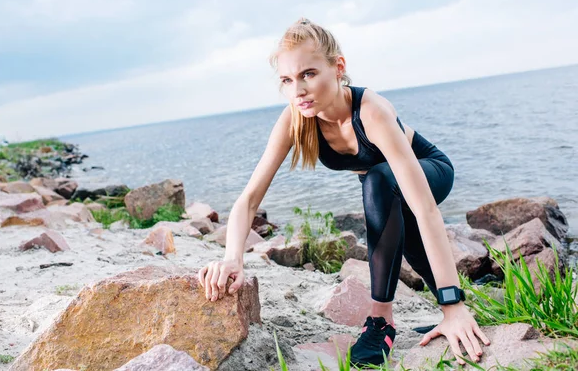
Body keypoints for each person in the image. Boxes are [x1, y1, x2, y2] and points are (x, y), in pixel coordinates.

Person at [198, 18, 490, 367]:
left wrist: (452, 305)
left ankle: (383, 320)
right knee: (402, 232)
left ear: (338, 68)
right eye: (287, 80)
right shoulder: (295, 119)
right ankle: (452, 312)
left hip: (429, 169)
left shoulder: (372, 111)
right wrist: (233, 257)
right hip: (388, 187)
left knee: (379, 181)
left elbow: (425, 209)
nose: (298, 90)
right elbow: (249, 199)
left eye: (308, 74)